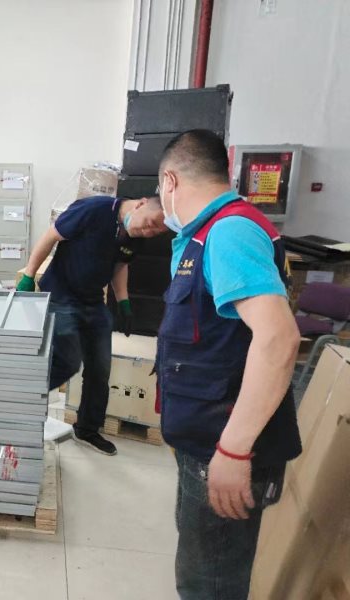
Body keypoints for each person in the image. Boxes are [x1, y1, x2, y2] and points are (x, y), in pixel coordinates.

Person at [155, 129, 301, 599]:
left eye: (160, 187)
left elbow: (278, 338)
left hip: (225, 445)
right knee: (202, 570)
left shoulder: (228, 233)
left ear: (170, 181)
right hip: (206, 440)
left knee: (210, 585)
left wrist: (235, 451)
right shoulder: (206, 234)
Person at [16, 195, 166, 455]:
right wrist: (28, 275)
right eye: (150, 223)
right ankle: (21, 405)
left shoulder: (134, 236)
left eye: (156, 232)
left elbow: (120, 266)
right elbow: (50, 237)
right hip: (62, 295)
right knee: (67, 363)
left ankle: (86, 429)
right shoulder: (94, 210)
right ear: (141, 204)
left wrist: (124, 302)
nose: (148, 231)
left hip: (93, 301)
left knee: (100, 369)